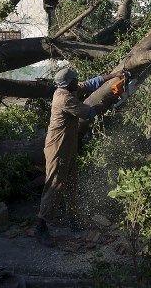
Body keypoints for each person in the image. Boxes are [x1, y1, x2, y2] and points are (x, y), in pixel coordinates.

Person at [35, 66, 125, 245]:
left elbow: (90, 84)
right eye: (75, 80)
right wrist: (113, 96)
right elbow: (89, 112)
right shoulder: (64, 98)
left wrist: (114, 76)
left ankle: (73, 219)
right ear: (68, 83)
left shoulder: (69, 89)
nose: (78, 82)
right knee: (54, 185)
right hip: (58, 147)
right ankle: (41, 226)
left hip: (68, 146)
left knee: (72, 183)